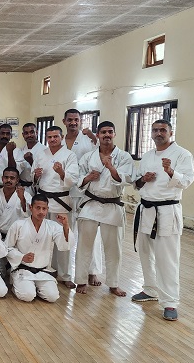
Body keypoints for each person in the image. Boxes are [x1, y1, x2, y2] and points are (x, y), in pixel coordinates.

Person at [132, 120, 194, 321]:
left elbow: (186, 181)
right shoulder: (148, 156)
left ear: (170, 132)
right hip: (146, 209)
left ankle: (170, 302)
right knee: (144, 253)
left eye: (163, 130)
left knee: (167, 258)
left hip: (167, 210)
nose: (159, 133)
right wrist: (144, 179)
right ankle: (150, 289)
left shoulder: (182, 154)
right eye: (155, 130)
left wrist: (170, 172)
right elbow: (137, 184)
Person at [75, 121, 134, 296]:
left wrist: (111, 168)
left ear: (114, 134)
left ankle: (114, 284)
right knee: (84, 246)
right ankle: (81, 280)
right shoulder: (88, 157)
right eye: (103, 132)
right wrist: (88, 178)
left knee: (113, 248)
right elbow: (78, 178)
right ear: (98, 135)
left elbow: (128, 179)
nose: (106, 135)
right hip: (91, 204)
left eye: (110, 132)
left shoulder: (124, 157)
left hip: (112, 205)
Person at [32, 126, 79, 288]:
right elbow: (34, 177)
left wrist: (61, 173)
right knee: (43, 237)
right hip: (43, 202)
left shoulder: (70, 155)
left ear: (62, 137)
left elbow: (73, 180)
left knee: (63, 236)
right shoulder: (41, 154)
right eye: (49, 137)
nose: (52, 139)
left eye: (55, 137)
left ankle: (65, 275)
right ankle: (45, 268)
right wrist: (35, 176)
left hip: (61, 201)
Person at [6, 194, 74, 303]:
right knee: (28, 296)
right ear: (30, 208)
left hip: (43, 271)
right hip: (23, 270)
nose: (41, 212)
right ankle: (20, 286)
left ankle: (35, 288)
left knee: (52, 297)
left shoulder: (52, 226)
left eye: (44, 209)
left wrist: (65, 225)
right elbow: (7, 248)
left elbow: (64, 245)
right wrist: (22, 257)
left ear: (47, 210)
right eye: (38, 208)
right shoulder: (18, 225)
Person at [62, 108, 103, 289]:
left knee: (90, 233)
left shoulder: (89, 140)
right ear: (64, 121)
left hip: (86, 192)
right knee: (66, 232)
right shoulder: (58, 142)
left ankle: (92, 270)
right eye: (69, 120)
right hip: (66, 192)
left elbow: (101, 152)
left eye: (76, 120)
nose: (73, 122)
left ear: (80, 121)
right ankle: (64, 272)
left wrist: (94, 138)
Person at [0, 167, 31, 237]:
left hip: (15, 234)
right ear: (2, 179)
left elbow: (28, 215)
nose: (8, 180)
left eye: (12, 178)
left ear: (17, 180)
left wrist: (22, 199)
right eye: (6, 177)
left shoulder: (25, 195)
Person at [0, 124, 20, 190]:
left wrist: (10, 153)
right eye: (2, 133)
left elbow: (13, 170)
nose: (5, 136)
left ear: (11, 136)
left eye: (7, 134)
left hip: (7, 188)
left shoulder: (16, 151)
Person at [16, 123, 46, 195]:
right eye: (26, 133)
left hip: (37, 187)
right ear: (23, 135)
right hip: (21, 186)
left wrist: (31, 162)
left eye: (32, 132)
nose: (29, 135)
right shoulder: (20, 150)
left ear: (36, 132)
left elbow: (44, 172)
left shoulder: (45, 150)